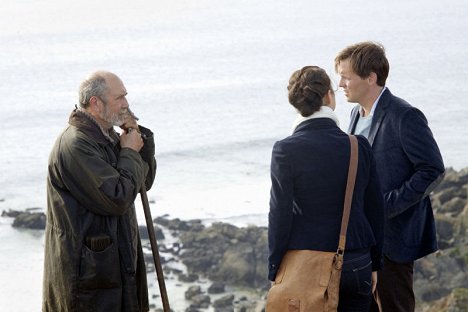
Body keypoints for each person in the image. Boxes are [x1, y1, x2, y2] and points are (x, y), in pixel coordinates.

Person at [335, 41, 445, 312]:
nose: (340, 84)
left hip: (393, 241)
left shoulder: (404, 115)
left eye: (346, 77)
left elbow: (432, 170)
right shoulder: (355, 114)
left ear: (370, 78)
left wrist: (386, 206)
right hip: (362, 241)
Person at [268, 65, 385, 311]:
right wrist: (375, 264)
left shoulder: (285, 150)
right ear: (328, 97)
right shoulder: (358, 146)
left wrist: (275, 267)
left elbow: (280, 214)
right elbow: (375, 209)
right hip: (356, 260)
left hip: (306, 263)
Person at [42, 71, 157, 311]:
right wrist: (129, 152)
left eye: (126, 96)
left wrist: (137, 138)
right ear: (96, 103)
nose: (126, 103)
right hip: (88, 279)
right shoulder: (75, 145)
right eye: (119, 98)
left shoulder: (108, 137)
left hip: (114, 269)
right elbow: (117, 197)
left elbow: (142, 183)